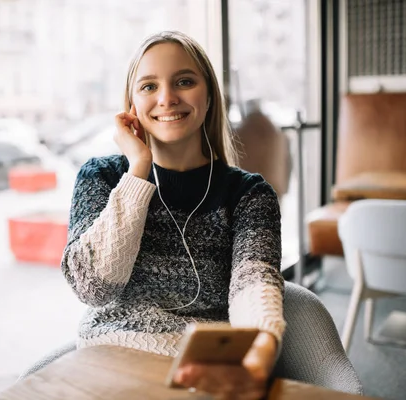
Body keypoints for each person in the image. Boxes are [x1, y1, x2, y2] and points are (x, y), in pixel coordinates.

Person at [61, 31, 285, 399]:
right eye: (149, 86)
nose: (167, 98)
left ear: (209, 95)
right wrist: (138, 172)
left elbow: (254, 286)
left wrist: (259, 346)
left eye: (184, 81)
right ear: (131, 104)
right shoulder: (100, 177)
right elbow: (94, 288)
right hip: (111, 361)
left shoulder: (249, 194)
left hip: (200, 369)